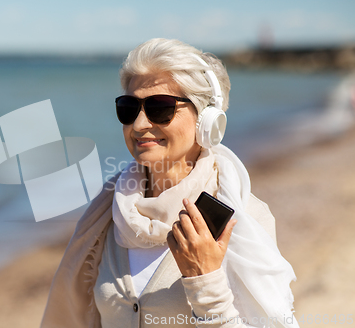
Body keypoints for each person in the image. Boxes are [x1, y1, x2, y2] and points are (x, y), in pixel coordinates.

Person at [41, 38, 298, 328]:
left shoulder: (246, 219)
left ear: (207, 120)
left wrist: (206, 281)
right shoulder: (107, 216)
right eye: (128, 108)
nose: (138, 125)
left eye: (160, 108)